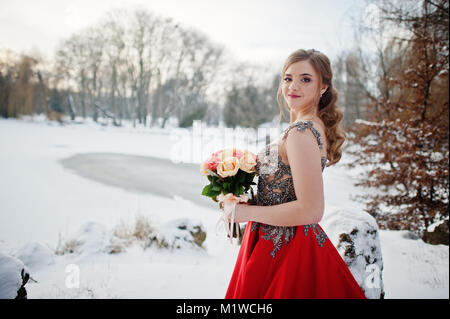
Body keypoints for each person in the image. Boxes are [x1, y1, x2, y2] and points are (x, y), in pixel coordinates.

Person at [223, 49, 367, 299]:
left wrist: (246, 213)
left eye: (305, 79)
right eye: (288, 78)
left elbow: (311, 210)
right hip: (275, 239)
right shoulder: (308, 126)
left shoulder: (301, 132)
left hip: (285, 251)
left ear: (323, 87)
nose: (293, 86)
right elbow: (284, 191)